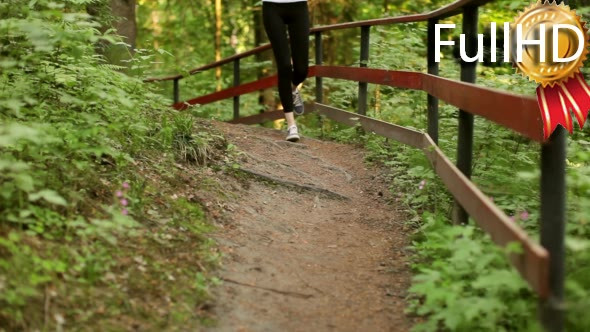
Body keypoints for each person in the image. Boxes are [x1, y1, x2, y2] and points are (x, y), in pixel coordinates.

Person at [262, 0, 309, 142]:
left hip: (299, 7)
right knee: (285, 66)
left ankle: (293, 89)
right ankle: (291, 126)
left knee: (302, 70)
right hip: (272, 7)